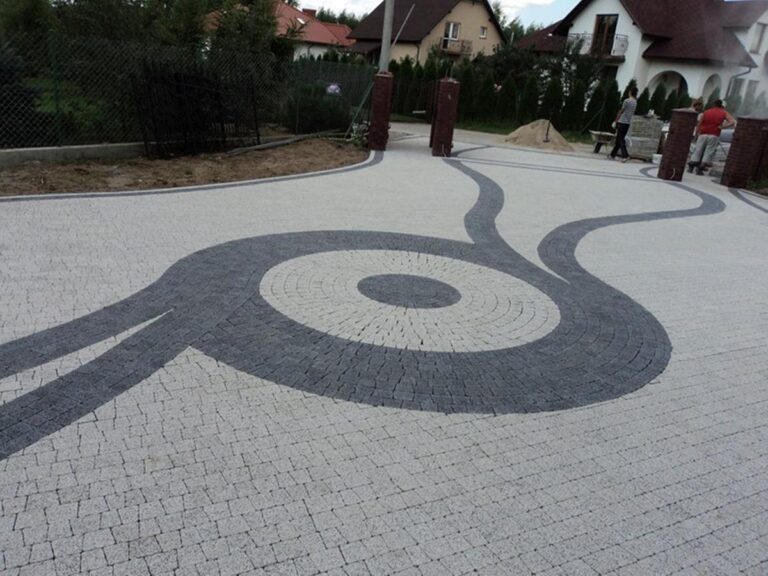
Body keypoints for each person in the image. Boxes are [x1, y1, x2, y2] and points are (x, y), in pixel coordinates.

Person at [688, 99, 735, 175]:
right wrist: (723, 127)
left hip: (703, 134)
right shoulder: (724, 113)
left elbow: (699, 124)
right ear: (721, 105)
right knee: (708, 152)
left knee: (698, 150)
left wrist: (696, 134)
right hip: (714, 134)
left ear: (714, 104)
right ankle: (700, 169)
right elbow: (732, 122)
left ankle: (691, 167)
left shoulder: (706, 112)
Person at [609, 86, 638, 162]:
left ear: (630, 92)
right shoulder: (635, 102)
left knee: (621, 139)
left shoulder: (627, 101)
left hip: (622, 121)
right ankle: (612, 154)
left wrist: (616, 120)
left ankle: (625, 155)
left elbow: (621, 111)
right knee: (619, 139)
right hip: (627, 123)